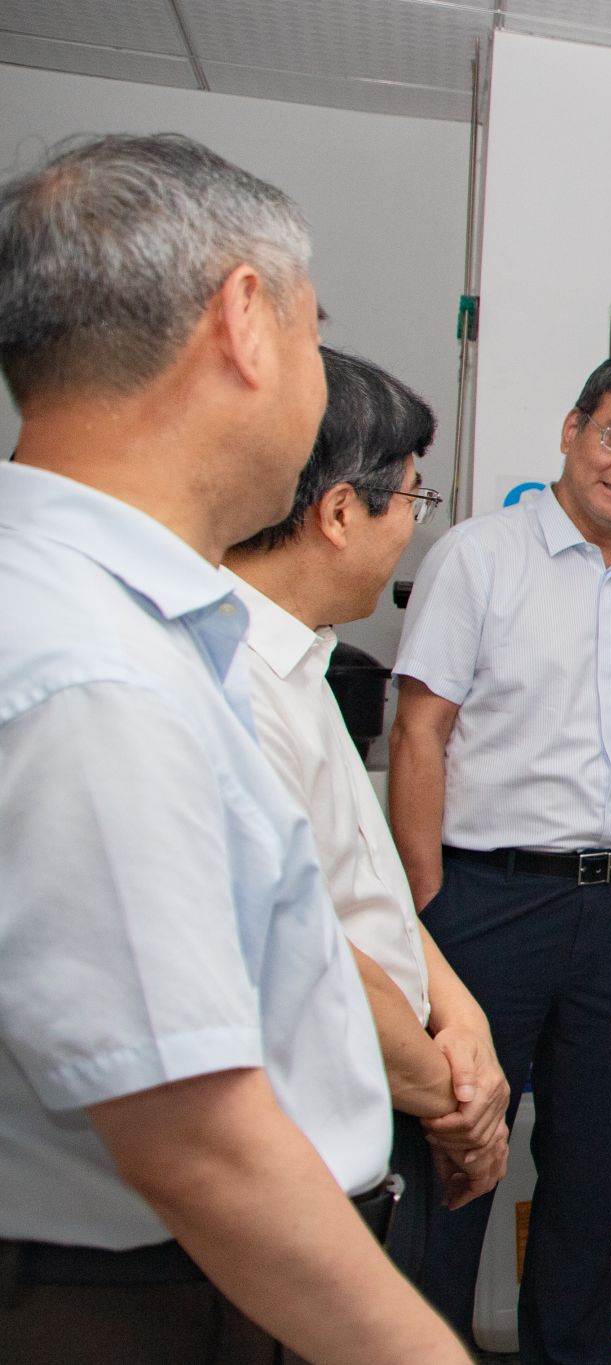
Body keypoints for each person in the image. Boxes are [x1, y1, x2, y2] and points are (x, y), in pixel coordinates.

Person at [0, 133, 467, 1363]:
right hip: (146, 1299)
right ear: (245, 321)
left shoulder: (108, 611)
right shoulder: (94, 668)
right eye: (316, 331)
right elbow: (200, 1143)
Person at [389, 353, 611, 1362]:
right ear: (573, 431)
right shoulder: (477, 556)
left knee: (594, 1156)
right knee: (456, 1138)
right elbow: (419, 731)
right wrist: (424, 901)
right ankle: (425, 1346)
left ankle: (568, 1348)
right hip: (485, 899)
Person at [222, 346, 512, 1284]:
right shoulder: (229, 681)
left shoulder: (305, 660)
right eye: (413, 502)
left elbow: (366, 883)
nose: (412, 533)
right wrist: (456, 1101)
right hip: (319, 1131)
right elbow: (307, 954)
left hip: (390, 1090)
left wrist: (461, 1015)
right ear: (342, 511)